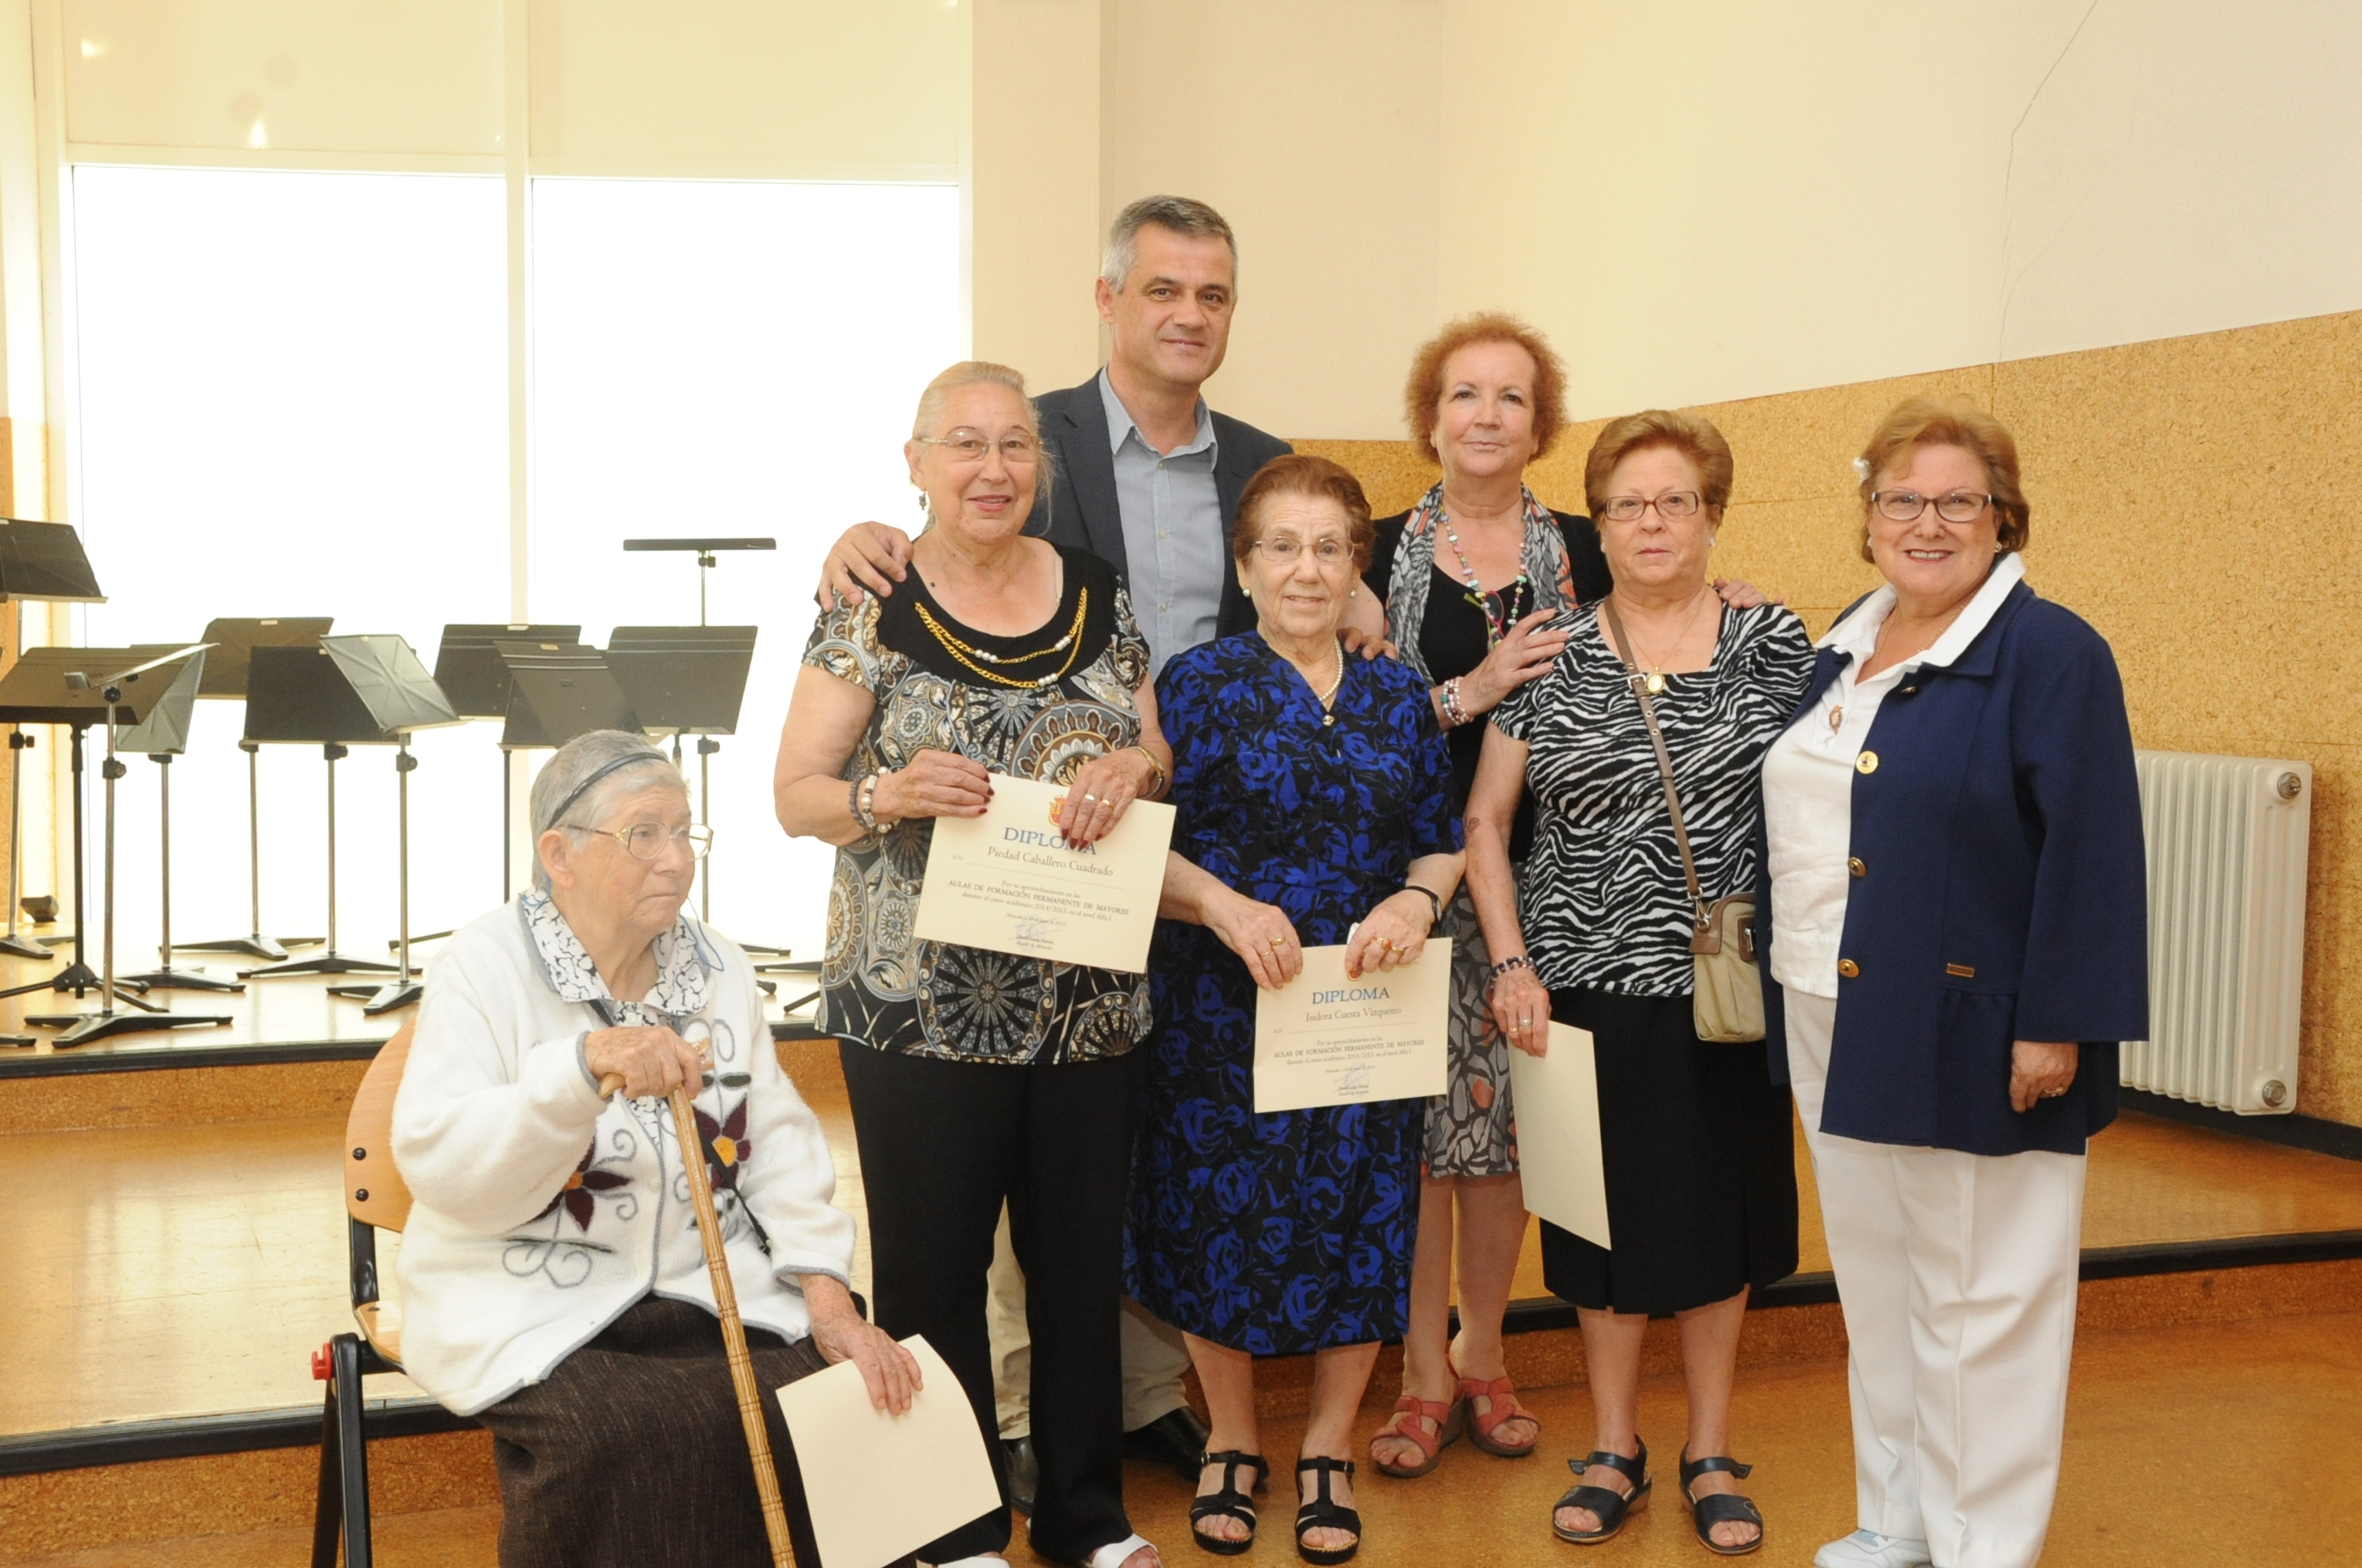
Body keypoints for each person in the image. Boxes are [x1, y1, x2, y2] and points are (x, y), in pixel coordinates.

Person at [811, 195, 1330, 1492]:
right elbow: (809, 770)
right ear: (1109, 300)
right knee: (956, 1238)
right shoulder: (1024, 434)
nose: (1188, 315)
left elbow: (1303, 587)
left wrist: (1150, 755)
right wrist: (861, 548)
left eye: (1212, 294)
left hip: (1144, 883)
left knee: (1121, 1187)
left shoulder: (1262, 462)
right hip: (938, 963)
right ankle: (984, 1463)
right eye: (1163, 290)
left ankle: (1122, 1427)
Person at [772, 361, 1173, 1568]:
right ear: (915, 463)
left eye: (1013, 446)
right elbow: (795, 797)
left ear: (1039, 468)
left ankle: (1088, 1521)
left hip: (1086, 1002)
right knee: (934, 1269)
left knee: (1077, 1269)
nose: (991, 468)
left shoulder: (1097, 592)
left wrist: (1134, 770)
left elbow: (1153, 741)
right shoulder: (868, 604)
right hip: (914, 1011)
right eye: (964, 444)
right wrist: (884, 792)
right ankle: (948, 1529)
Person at [1760, 400, 2146, 1568]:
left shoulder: (2051, 653)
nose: (1927, 524)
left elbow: (2093, 849)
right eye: (1901, 500)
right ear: (1869, 516)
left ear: (2001, 515)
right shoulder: (1847, 637)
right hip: (1832, 1006)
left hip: (1978, 1024)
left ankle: (1987, 1544)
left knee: (1986, 1297)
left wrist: (2058, 1025)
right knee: (1881, 1283)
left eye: (1956, 501)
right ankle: (1903, 1519)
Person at [392, 729, 916, 1568]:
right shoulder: (484, 964)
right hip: (532, 1290)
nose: (675, 860)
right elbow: (442, 1164)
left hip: (702, 1286)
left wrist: (827, 1292)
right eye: (645, 834)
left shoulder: (716, 969)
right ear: (557, 854)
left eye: (685, 831)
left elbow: (772, 1142)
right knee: (621, 1433)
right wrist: (576, 1071)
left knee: (827, 1399)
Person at [1468, 410, 1811, 1555]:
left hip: (1730, 989)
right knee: (1596, 1229)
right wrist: (1511, 964)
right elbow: (1486, 820)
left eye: (1674, 502)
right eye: (1625, 505)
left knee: (1723, 1221)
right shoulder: (1549, 645)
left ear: (1712, 516)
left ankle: (1710, 1447)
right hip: (1582, 988)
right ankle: (1613, 1443)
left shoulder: (1774, 641)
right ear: (1597, 525)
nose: (1650, 523)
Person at [1133, 454, 1463, 1565]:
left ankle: (1326, 1443)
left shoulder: (1396, 694)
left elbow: (1443, 839)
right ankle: (1232, 1437)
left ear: (1355, 565)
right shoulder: (1193, 684)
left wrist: (1418, 902)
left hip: (1365, 1015)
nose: (1306, 568)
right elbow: (1138, 852)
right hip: (1221, 1008)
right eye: (1283, 544)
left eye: (1330, 547)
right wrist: (1226, 910)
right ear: (1246, 560)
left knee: (1361, 1221)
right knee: (1212, 1219)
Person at [1352, 313, 1606, 1476]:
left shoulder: (1598, 554)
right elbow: (1351, 720)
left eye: (1511, 397)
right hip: (1403, 879)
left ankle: (1486, 1356)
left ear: (1540, 423)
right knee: (1414, 1140)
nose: (1488, 416)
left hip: (1549, 887)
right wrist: (1473, 687)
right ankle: (1414, 1378)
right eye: (1465, 395)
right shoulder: (1367, 554)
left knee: (1501, 1141)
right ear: (1431, 419)